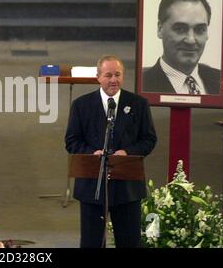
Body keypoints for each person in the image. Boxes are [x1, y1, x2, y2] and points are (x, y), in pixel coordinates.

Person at [65, 55, 157, 248]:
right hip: (92, 186)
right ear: (98, 77)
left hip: (127, 187)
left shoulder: (138, 104)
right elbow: (72, 141)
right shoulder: (82, 105)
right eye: (108, 75)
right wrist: (93, 153)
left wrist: (127, 152)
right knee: (91, 242)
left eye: (118, 74)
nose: (114, 80)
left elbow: (149, 139)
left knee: (129, 241)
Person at [143, 0, 220, 95]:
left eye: (199, 30)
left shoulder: (220, 80)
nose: (191, 40)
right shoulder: (144, 84)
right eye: (180, 29)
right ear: (160, 29)